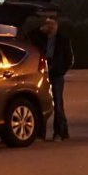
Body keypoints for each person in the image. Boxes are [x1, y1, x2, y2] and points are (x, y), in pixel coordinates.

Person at [26, 10, 74, 140]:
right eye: (48, 24)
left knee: (58, 103)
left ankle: (60, 131)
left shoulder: (62, 39)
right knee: (41, 102)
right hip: (42, 72)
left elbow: (69, 59)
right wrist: (40, 30)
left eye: (52, 24)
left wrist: (60, 70)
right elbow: (29, 38)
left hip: (56, 73)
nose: (51, 27)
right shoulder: (39, 37)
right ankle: (40, 133)